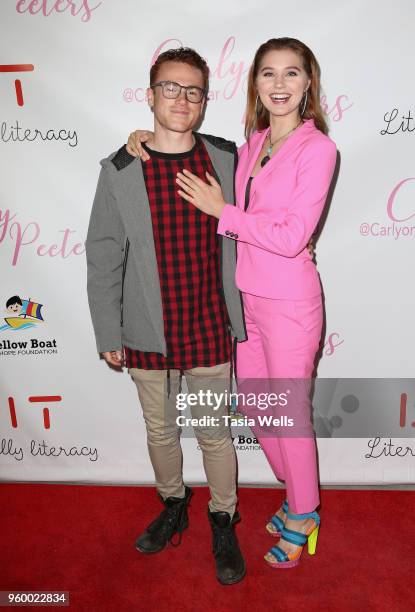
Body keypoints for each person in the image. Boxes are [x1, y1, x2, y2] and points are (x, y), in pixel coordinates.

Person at [134, 37, 337, 569]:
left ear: (308, 84)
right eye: (268, 74)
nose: (279, 85)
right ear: (255, 85)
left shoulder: (318, 149)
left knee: (288, 415)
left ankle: (304, 512)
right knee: (257, 408)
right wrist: (139, 138)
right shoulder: (250, 146)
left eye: (291, 74)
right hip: (244, 302)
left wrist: (224, 212)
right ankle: (297, 495)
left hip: (291, 301)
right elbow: (192, 147)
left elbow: (293, 235)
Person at [85, 47, 247, 585]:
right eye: (171, 88)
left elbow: (266, 210)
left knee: (213, 434)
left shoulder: (226, 158)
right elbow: (104, 252)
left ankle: (222, 517)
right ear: (151, 95)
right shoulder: (122, 168)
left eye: (193, 90)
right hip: (147, 331)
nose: (182, 98)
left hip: (207, 328)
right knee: (160, 432)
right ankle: (173, 502)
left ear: (204, 101)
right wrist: (109, 330)